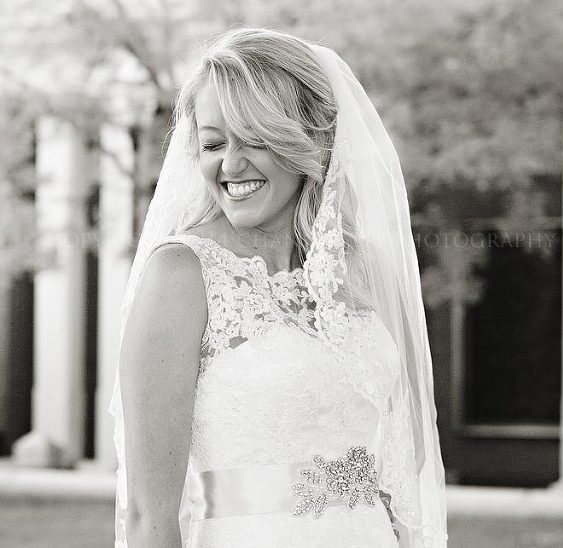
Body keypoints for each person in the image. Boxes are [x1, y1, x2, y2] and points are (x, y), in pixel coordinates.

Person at [109, 28, 447, 547]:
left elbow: (407, 457)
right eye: (214, 143)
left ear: (308, 137)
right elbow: (148, 516)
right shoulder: (181, 276)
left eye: (256, 139)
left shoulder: (361, 268)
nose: (230, 165)